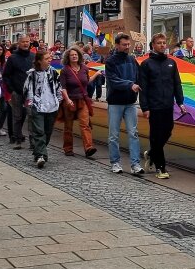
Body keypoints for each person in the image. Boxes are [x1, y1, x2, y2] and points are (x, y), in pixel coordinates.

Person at [139, 33, 186, 179]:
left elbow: (177, 83)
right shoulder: (146, 64)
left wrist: (180, 102)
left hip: (168, 105)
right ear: (153, 45)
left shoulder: (171, 63)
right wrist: (145, 107)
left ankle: (151, 153)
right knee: (156, 136)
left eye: (164, 43)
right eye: (159, 43)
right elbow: (143, 87)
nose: (162, 45)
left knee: (167, 132)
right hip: (154, 106)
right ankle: (161, 168)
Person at [105, 32, 144, 175]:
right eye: (124, 45)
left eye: (128, 44)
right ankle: (115, 162)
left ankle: (135, 164)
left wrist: (138, 87)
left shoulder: (132, 59)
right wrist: (130, 85)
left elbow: (139, 77)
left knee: (133, 133)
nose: (127, 47)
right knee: (114, 135)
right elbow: (113, 80)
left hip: (130, 102)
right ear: (117, 45)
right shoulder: (110, 61)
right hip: (115, 102)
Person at [24, 50, 63, 168]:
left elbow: (58, 87)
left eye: (49, 58)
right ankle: (41, 155)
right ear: (39, 61)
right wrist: (30, 103)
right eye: (46, 58)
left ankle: (39, 152)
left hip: (52, 107)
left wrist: (59, 100)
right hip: (37, 106)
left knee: (47, 132)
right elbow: (28, 89)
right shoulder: (32, 74)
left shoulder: (54, 73)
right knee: (39, 131)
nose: (49, 60)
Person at [58, 46, 97, 157]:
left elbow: (87, 82)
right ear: (68, 57)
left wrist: (96, 75)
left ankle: (89, 148)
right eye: (72, 55)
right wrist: (67, 99)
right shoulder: (65, 70)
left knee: (85, 124)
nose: (74, 56)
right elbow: (63, 87)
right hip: (70, 101)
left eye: (76, 54)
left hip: (82, 100)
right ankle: (68, 148)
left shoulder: (84, 68)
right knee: (68, 126)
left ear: (79, 56)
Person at [4, 35, 34, 149]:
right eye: (23, 42)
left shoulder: (33, 57)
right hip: (17, 91)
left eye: (27, 42)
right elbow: (6, 75)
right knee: (17, 116)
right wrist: (11, 89)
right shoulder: (13, 58)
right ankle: (17, 139)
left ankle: (32, 141)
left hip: (30, 92)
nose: (26, 44)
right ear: (19, 43)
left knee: (31, 116)